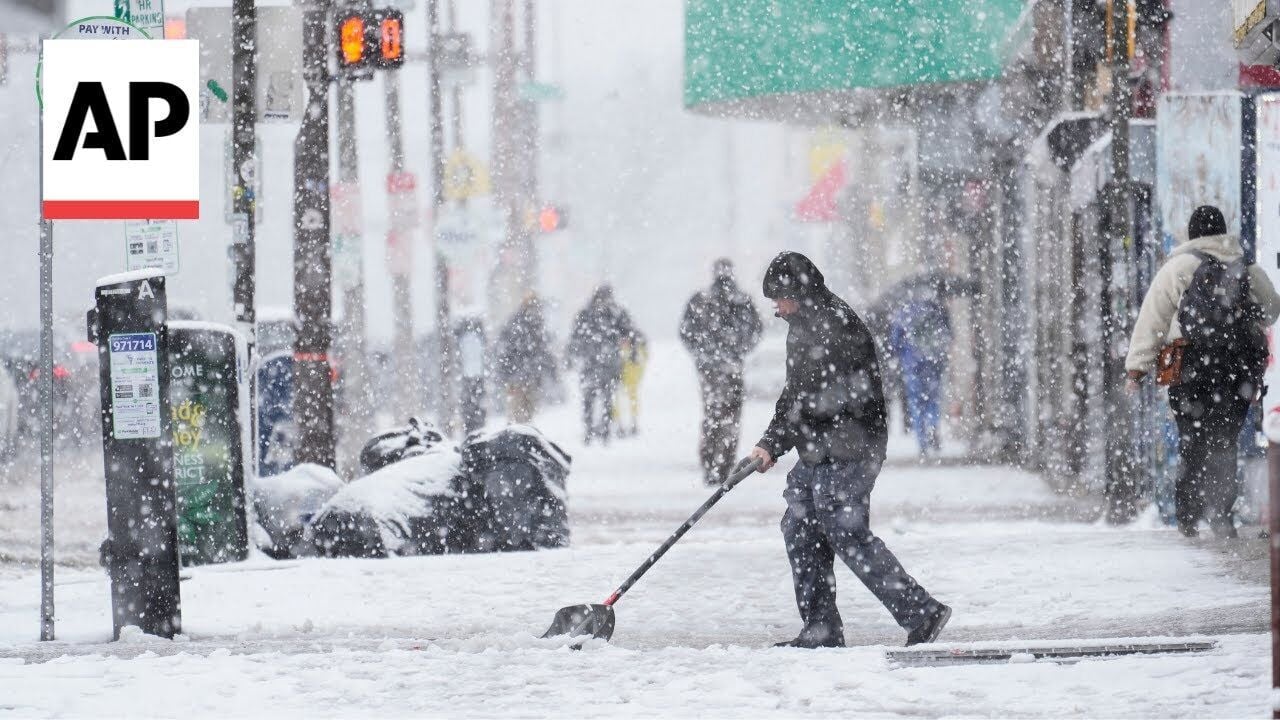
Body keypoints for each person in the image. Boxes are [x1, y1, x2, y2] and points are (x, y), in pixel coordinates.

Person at [748, 251, 950, 648]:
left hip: (850, 447)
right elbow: (796, 395)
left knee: (846, 532)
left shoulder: (833, 325)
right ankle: (820, 628)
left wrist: (778, 441)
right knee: (801, 527)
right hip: (819, 447)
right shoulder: (805, 323)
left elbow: (820, 400)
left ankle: (921, 612)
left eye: (779, 296)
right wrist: (770, 442)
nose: (776, 305)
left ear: (797, 291)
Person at [1126, 205, 1280, 538]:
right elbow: (1271, 310)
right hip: (1235, 368)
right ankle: (1221, 514)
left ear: (1193, 233)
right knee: (1224, 442)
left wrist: (1137, 367)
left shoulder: (1179, 266)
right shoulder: (1245, 268)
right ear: (1224, 231)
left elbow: (1153, 318)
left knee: (1191, 439)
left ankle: (1187, 514)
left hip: (1189, 366)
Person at [680, 258, 763, 485]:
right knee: (731, 417)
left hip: (710, 367)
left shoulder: (702, 300)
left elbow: (686, 331)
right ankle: (724, 464)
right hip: (730, 366)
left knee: (713, 414)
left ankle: (711, 464)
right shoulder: (742, 300)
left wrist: (703, 353)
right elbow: (755, 329)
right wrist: (738, 350)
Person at [885, 272, 979, 459]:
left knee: (916, 401)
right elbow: (949, 335)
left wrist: (900, 355)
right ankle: (933, 426)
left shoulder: (904, 312)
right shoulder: (937, 309)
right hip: (934, 361)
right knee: (933, 399)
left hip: (912, 364)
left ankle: (922, 441)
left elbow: (894, 341)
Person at [566, 285, 635, 444]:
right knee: (602, 398)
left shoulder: (587, 314)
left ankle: (596, 429)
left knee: (598, 398)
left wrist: (572, 355)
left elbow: (575, 338)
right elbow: (629, 333)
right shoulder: (614, 313)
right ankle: (597, 429)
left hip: (597, 363)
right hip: (603, 362)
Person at [496, 295, 557, 424]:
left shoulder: (536, 324)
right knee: (518, 412)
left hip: (529, 376)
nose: (535, 310)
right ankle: (518, 437)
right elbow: (506, 350)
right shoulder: (517, 324)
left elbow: (543, 351)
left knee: (526, 412)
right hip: (518, 376)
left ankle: (523, 436)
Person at [614, 329, 648, 437]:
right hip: (622, 381)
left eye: (625, 340)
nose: (624, 342)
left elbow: (640, 364)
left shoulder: (635, 351)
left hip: (631, 382)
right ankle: (620, 425)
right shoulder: (621, 351)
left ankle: (632, 424)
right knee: (618, 403)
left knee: (630, 403)